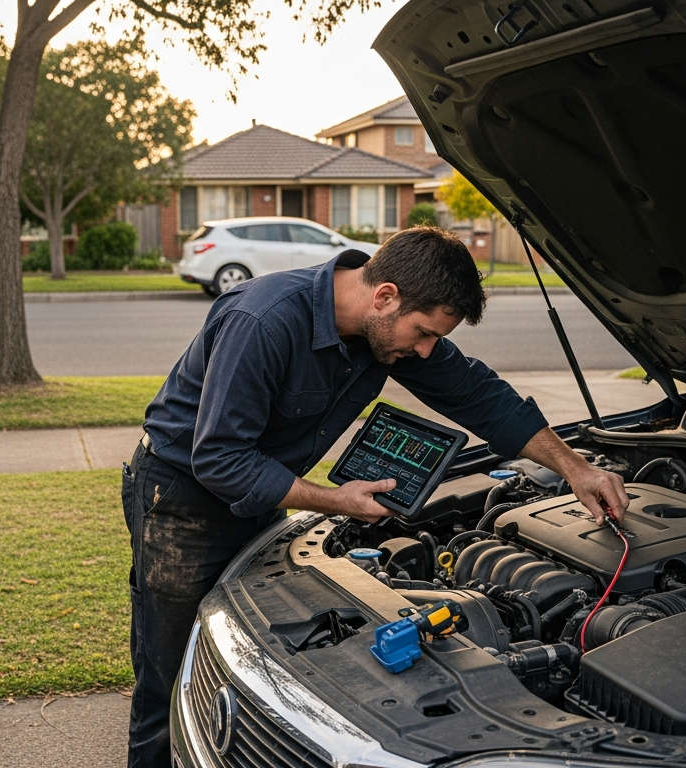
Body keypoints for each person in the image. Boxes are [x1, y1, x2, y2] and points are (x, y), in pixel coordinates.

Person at [121, 226, 628, 767]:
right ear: (385, 295)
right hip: (179, 502)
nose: (426, 349)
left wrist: (574, 468)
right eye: (424, 332)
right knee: (170, 667)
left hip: (260, 489)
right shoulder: (263, 320)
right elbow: (219, 456)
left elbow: (482, 398)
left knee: (260, 660)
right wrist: (339, 502)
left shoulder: (384, 328)